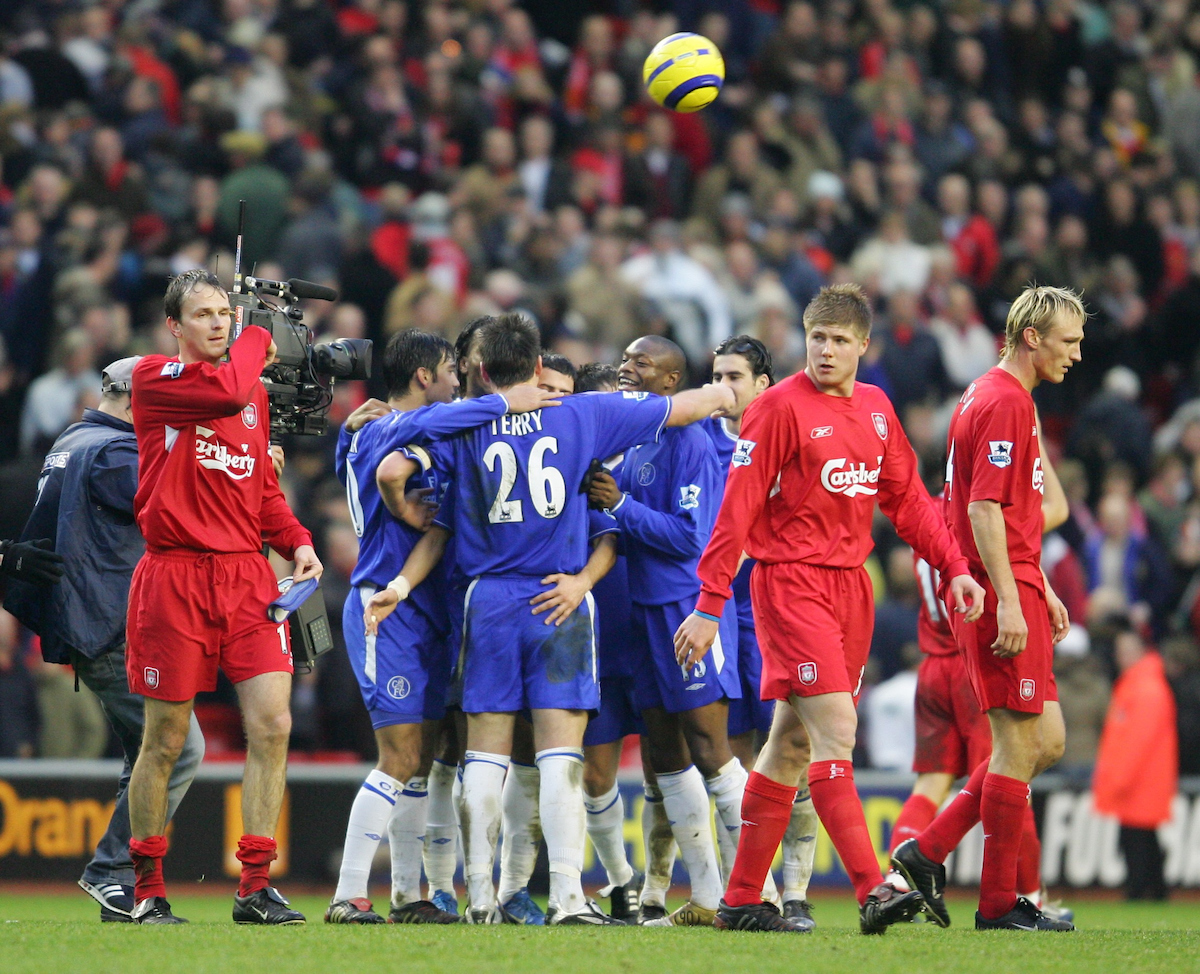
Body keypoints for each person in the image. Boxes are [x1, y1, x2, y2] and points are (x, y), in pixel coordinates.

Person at [367, 314, 734, 924]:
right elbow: (681, 409)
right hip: (560, 597)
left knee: (483, 755)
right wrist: (726, 394)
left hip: (487, 601)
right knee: (562, 756)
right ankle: (567, 896)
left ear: (481, 371)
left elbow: (393, 469)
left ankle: (479, 897)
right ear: (538, 367)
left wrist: (404, 525)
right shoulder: (582, 413)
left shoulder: (464, 425)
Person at [674, 283, 986, 935]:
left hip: (851, 589)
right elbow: (737, 509)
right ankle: (874, 890)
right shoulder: (779, 408)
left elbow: (909, 504)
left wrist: (955, 566)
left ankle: (740, 900)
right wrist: (709, 603)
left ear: (863, 346)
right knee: (837, 729)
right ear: (805, 339)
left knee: (790, 746)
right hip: (789, 583)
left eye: (840, 340)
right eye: (818, 337)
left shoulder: (876, 408)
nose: (826, 350)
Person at [327, 329, 556, 924]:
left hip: (425, 608)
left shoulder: (364, 430)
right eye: (451, 369)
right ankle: (349, 893)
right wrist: (509, 400)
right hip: (388, 607)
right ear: (424, 377)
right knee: (400, 756)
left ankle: (410, 895)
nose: (458, 378)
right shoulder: (387, 428)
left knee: (423, 758)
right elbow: (401, 459)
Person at [123, 269, 323, 925]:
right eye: (203, 314)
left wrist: (296, 540)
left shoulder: (250, 396)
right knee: (167, 741)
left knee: (274, 725)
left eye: (224, 313)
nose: (218, 323)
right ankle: (148, 888)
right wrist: (260, 333)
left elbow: (261, 492)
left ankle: (255, 884)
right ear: (174, 327)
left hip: (245, 579)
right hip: (175, 577)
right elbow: (234, 381)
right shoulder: (158, 380)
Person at [890, 284, 1085, 933]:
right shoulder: (1003, 400)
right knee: (1013, 745)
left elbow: (1018, 511)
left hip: (1020, 581)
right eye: (1069, 341)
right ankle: (1000, 903)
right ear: (1033, 337)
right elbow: (980, 510)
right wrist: (1008, 597)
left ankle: (928, 849)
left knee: (1043, 741)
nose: (1076, 354)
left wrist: (1040, 585)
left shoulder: (1000, 395)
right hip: (998, 589)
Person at [3, 357, 205, 922]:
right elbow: (175, 509)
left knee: (145, 756)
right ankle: (112, 870)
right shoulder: (117, 453)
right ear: (137, 399)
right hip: (112, 624)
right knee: (179, 747)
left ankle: (122, 888)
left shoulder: (75, 439)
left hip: (87, 620)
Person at [587, 335, 744, 927]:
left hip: (685, 606)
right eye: (624, 358)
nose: (626, 368)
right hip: (644, 613)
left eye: (641, 362)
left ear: (672, 382)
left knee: (711, 749)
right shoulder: (637, 439)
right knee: (666, 753)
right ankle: (705, 897)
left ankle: (758, 893)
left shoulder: (692, 441)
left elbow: (691, 537)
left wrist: (621, 505)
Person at [704, 335, 819, 928]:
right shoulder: (698, 442)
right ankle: (753, 890)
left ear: (763, 384)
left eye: (735, 377)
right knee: (736, 755)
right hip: (723, 609)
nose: (723, 389)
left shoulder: (795, 435)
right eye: (717, 376)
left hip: (782, 602)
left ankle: (796, 891)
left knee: (793, 749)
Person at [1093, 621, 1178, 901]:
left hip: (1141, 782)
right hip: (1141, 780)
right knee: (1143, 839)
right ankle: (1155, 890)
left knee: (1137, 840)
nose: (1121, 657)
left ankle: (1140, 890)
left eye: (1126, 651)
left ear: (1140, 652)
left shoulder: (1146, 689)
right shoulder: (1139, 685)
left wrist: (1118, 779)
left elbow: (1137, 743)